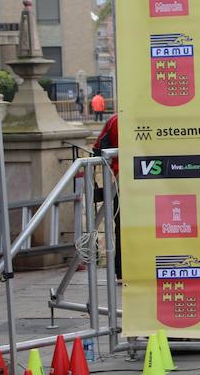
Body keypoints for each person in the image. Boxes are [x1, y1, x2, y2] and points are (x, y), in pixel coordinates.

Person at [93, 114, 121, 281]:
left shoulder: (116, 119)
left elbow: (99, 149)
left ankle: (122, 271)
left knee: (122, 228)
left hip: (122, 181)